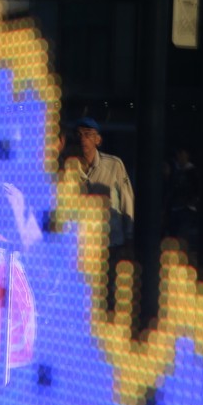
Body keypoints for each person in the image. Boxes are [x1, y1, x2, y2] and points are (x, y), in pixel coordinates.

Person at [69, 116, 135, 307]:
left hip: (110, 240)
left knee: (108, 289)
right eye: (80, 135)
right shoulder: (69, 167)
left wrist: (129, 236)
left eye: (89, 135)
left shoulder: (113, 165)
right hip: (81, 243)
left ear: (98, 140)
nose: (83, 139)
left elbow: (127, 200)